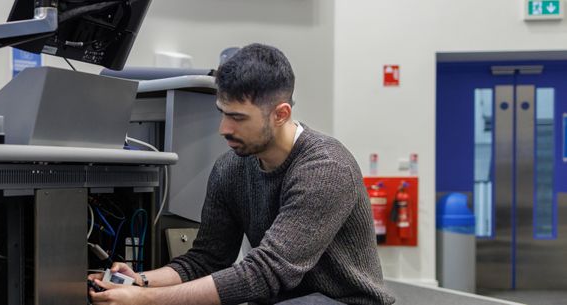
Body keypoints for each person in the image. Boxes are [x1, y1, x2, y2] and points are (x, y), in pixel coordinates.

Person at [88, 43, 395, 305]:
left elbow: (266, 272)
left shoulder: (326, 168)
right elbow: (206, 259)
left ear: (281, 114)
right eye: (222, 113)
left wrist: (146, 300)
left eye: (237, 117)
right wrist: (141, 281)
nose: (224, 129)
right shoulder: (231, 168)